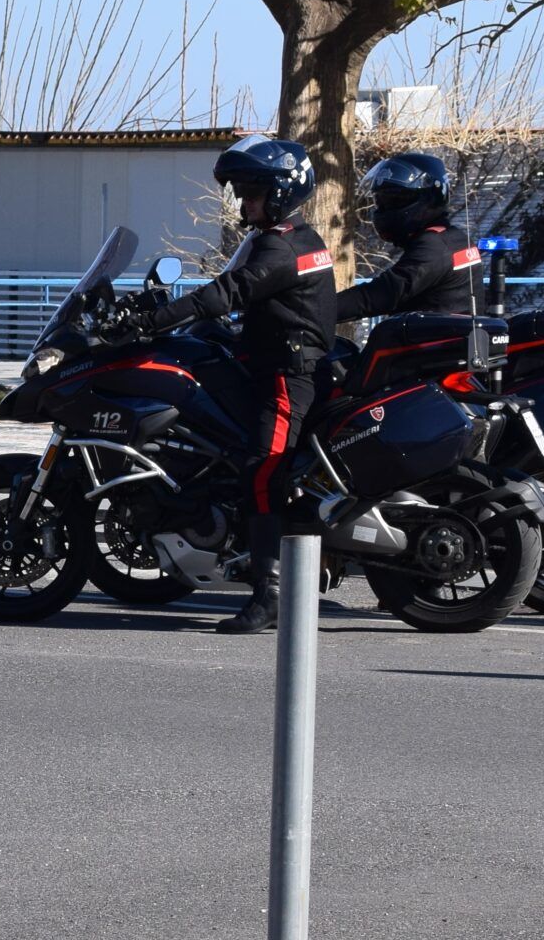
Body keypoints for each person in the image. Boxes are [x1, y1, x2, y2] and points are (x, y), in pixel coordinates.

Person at [119, 135, 337, 634]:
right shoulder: (288, 236)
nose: (243, 202)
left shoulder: (283, 247)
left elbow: (228, 291)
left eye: (251, 191)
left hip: (288, 376)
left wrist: (155, 319)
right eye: (240, 191)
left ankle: (271, 594)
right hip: (269, 363)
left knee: (263, 473)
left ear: (280, 191)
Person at [335, 153, 478, 320]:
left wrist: (316, 312)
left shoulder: (434, 247)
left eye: (394, 200)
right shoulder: (453, 239)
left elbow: (382, 294)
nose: (384, 209)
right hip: (445, 339)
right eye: (381, 202)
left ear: (427, 199)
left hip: (429, 342)